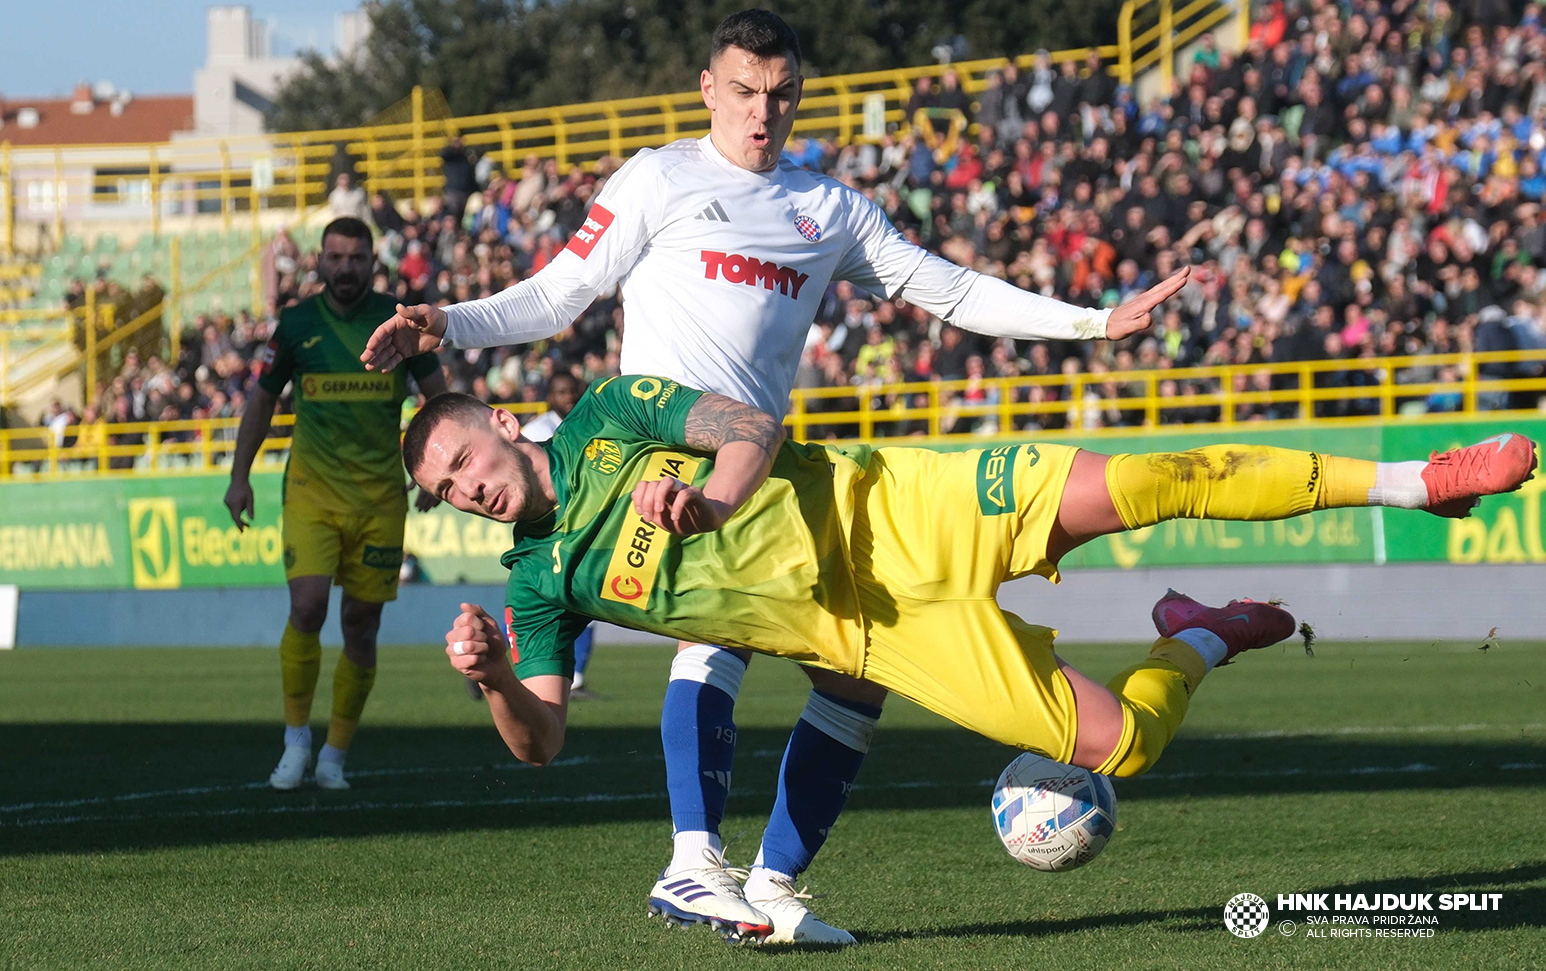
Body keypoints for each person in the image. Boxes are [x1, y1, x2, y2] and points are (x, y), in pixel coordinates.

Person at [359, 9, 1184, 945]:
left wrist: (1092, 323)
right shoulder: (657, 178)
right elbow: (559, 293)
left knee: (855, 673)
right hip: (654, 460)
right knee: (712, 643)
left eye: (781, 94)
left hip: (762, 467)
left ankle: (776, 886)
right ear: (709, 89)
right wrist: (448, 322)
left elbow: (948, 290)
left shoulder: (826, 209)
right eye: (744, 92)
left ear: (798, 95)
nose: (763, 113)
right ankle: (692, 862)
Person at [408, 380, 1534, 931]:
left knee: (1146, 480)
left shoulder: (611, 412)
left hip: (898, 505)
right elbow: (542, 739)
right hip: (881, 633)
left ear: (502, 419)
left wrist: (706, 499)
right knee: (1122, 745)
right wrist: (496, 680)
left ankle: (1415, 481)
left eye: (463, 454)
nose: (466, 484)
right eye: (446, 489)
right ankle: (1197, 632)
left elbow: (751, 425)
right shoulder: (534, 583)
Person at [223, 216, 446, 792]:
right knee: (308, 607)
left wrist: (438, 471)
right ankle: (297, 740)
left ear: (373, 260)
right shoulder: (296, 325)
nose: (345, 267)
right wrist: (239, 477)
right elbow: (261, 402)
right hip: (312, 494)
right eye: (336, 257)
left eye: (356, 257)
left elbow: (440, 399)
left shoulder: (398, 322)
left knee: (361, 627)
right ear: (319, 261)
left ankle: (335, 754)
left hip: (378, 498)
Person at [519, 371, 597, 698]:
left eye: (573, 390)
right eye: (561, 392)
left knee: (585, 604)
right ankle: (507, 666)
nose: (568, 397)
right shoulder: (535, 431)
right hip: (546, 530)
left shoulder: (589, 424)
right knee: (541, 600)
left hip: (581, 526)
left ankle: (574, 677)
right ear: (549, 396)